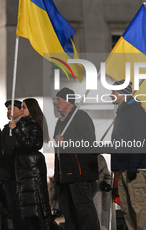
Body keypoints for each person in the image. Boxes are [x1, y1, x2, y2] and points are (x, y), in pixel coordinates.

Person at [54, 87, 100, 230]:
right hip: (65, 175)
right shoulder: (60, 122)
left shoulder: (81, 117)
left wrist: (66, 140)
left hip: (78, 173)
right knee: (68, 211)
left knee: (84, 210)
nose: (55, 103)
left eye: (58, 99)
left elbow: (88, 141)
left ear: (68, 101)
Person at [110, 80, 146, 230]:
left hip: (133, 168)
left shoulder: (134, 110)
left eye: (113, 92)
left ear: (122, 94)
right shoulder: (123, 111)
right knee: (127, 209)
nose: (111, 95)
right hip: (123, 167)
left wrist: (133, 166)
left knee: (138, 208)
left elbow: (138, 138)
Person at [9, 98, 51, 230]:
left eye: (24, 107)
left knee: (38, 210)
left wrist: (16, 130)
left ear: (31, 110)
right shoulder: (23, 125)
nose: (21, 110)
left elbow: (30, 145)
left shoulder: (34, 125)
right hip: (25, 171)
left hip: (32, 171)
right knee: (30, 212)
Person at [0, 100, 29, 230]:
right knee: (13, 209)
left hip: (19, 175)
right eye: (7, 109)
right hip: (7, 176)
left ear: (19, 110)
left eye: (11, 109)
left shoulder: (23, 126)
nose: (8, 112)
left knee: (21, 208)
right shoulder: (6, 129)